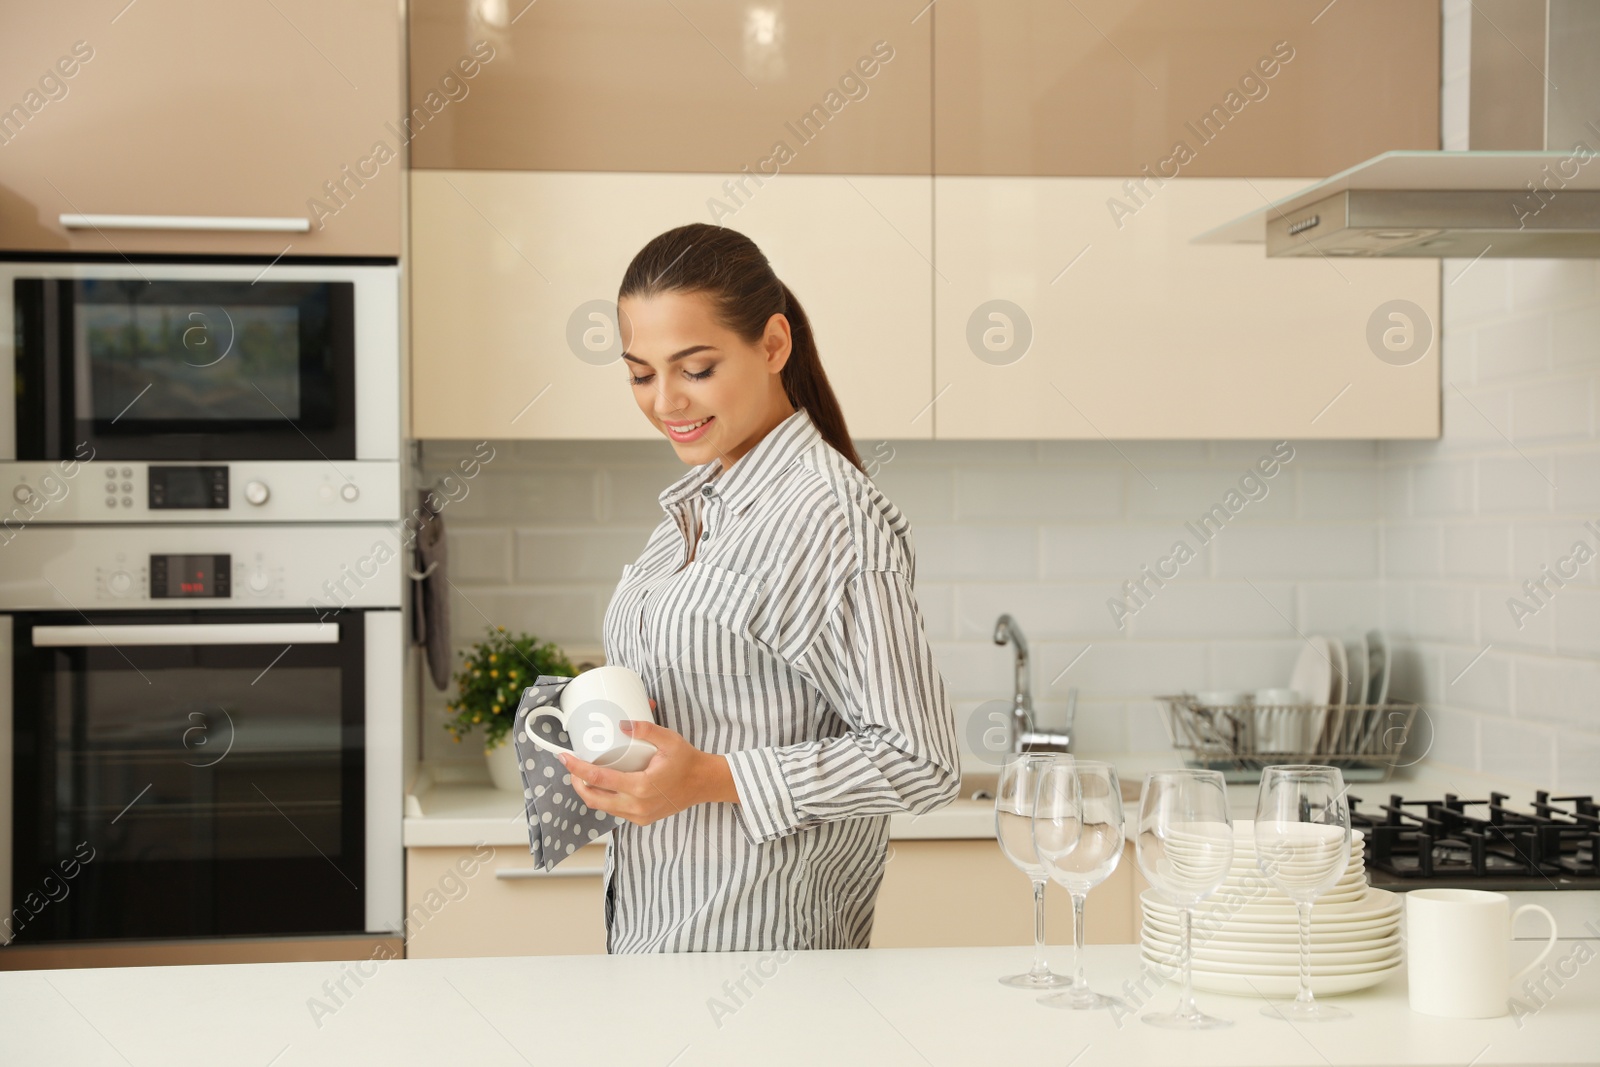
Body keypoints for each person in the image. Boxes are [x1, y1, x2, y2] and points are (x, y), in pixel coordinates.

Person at [559, 222, 960, 953]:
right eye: (641, 374)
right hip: (655, 941)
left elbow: (920, 759)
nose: (665, 401)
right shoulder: (698, 506)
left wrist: (711, 776)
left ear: (773, 345)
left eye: (696, 367)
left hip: (759, 962)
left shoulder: (828, 514)